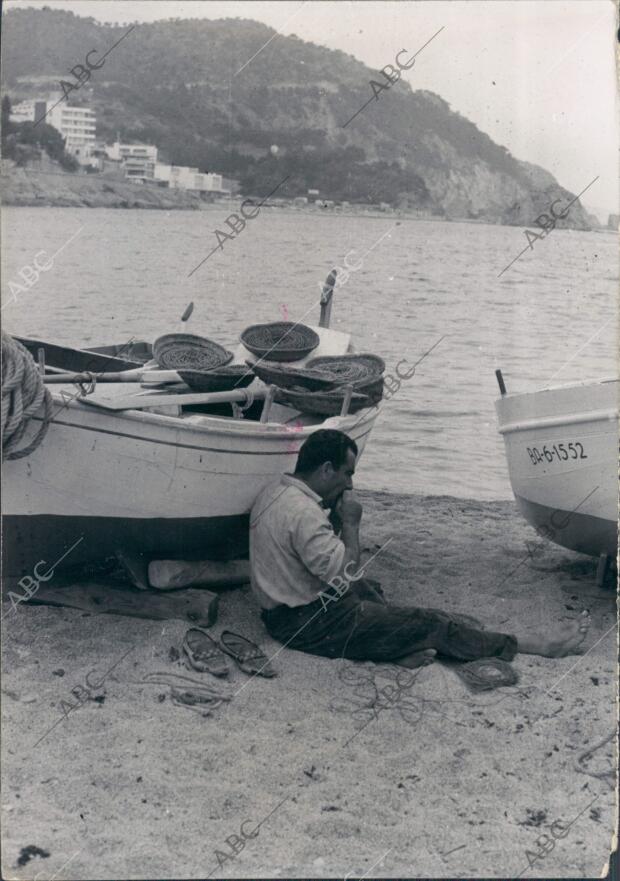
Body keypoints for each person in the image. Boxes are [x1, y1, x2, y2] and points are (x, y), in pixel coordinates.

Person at [250, 429, 590, 668]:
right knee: (430, 623)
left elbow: (310, 559)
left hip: (283, 613)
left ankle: (397, 648)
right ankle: (536, 645)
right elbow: (345, 575)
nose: (350, 483)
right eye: (346, 474)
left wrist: (335, 522)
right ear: (326, 470)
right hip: (307, 623)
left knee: (378, 594)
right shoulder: (305, 514)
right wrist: (351, 523)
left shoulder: (275, 492)